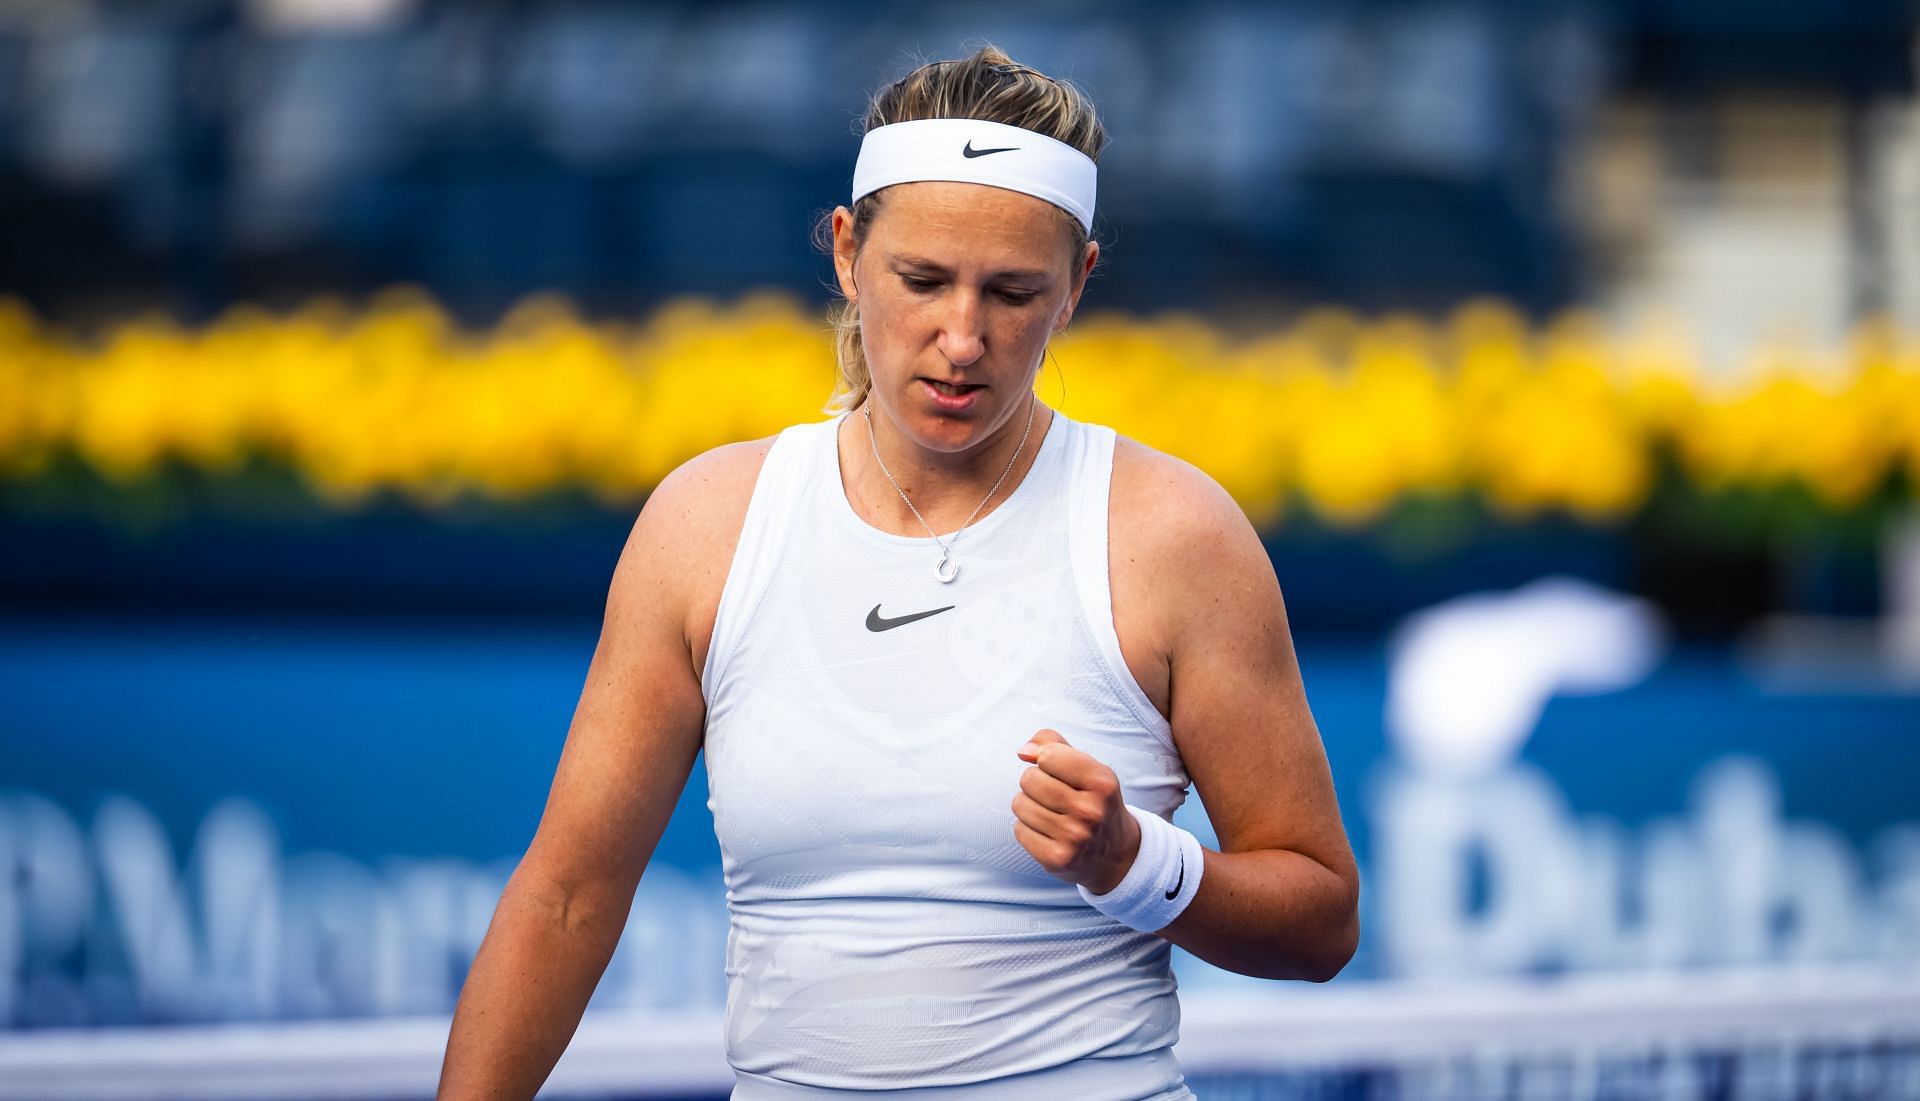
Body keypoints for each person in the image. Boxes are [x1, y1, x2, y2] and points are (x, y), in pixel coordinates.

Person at [437, 45, 1359, 1101]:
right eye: (922, 281)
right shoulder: (707, 526)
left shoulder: (1176, 536)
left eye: (1013, 293)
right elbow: (565, 899)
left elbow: (1323, 918)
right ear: (845, 252)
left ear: (1077, 289)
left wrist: (1138, 865)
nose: (961, 339)